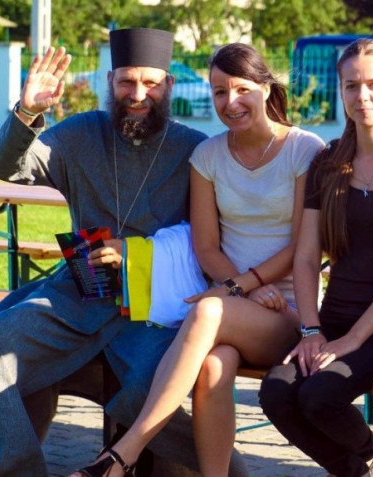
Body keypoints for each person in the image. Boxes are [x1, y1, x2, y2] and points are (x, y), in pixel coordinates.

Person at [0, 28, 245, 476]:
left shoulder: (194, 149)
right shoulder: (80, 133)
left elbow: (211, 237)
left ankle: (221, 469)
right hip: (77, 296)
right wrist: (28, 112)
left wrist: (138, 254)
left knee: (149, 389)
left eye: (150, 83)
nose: (138, 94)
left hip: (154, 309)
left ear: (168, 84)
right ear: (110, 81)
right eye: (127, 81)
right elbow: (6, 166)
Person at [69, 42, 325, 477]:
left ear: (266, 88)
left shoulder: (305, 149)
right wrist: (243, 289)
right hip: (234, 301)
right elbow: (206, 247)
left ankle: (123, 453)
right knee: (211, 367)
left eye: (242, 89)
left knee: (206, 310)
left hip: (288, 311)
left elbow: (304, 248)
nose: (230, 102)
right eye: (219, 91)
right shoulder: (207, 155)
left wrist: (243, 286)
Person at [257, 38, 373, 477]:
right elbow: (306, 256)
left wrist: (356, 338)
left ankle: (365, 451)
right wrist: (311, 330)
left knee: (319, 396)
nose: (363, 96)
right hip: (331, 322)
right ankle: (357, 466)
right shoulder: (327, 163)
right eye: (351, 86)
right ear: (341, 92)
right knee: (277, 394)